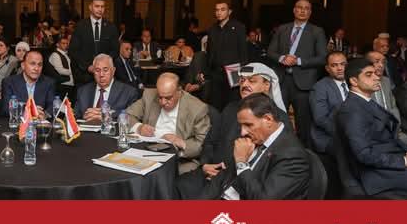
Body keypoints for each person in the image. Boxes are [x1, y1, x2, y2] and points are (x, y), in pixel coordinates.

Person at [175, 63, 291, 199]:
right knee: (178, 185)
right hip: (212, 173)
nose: (245, 84)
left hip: (241, 180)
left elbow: (273, 164)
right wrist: (206, 164)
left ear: (266, 85)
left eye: (252, 81)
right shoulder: (230, 108)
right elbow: (210, 141)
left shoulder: (277, 119)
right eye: (242, 80)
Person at [337, 59, 407, 195]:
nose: (377, 77)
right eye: (368, 74)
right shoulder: (351, 110)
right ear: (354, 81)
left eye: (375, 73)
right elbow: (364, 154)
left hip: (389, 158)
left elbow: (390, 138)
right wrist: (403, 160)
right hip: (375, 173)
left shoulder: (365, 102)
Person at [215, 93, 310, 200]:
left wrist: (241, 162)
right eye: (241, 125)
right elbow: (224, 178)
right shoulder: (255, 138)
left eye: (248, 125)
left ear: (268, 119)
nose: (242, 132)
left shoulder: (293, 156)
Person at [267, 0, 327, 146]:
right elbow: (270, 52)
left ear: (310, 12)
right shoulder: (282, 29)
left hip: (303, 83)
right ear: (294, 10)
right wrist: (282, 58)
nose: (302, 11)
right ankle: (278, 149)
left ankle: (303, 152)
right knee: (277, 118)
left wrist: (298, 61)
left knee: (303, 122)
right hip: (282, 80)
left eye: (306, 8)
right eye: (299, 7)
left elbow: (322, 58)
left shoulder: (317, 31)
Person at [126, 73, 211, 173]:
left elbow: (203, 143)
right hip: (147, 151)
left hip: (179, 159)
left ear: (179, 91)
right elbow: (127, 115)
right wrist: (139, 127)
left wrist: (181, 143)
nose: (163, 102)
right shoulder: (149, 95)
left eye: (168, 98)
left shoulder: (197, 108)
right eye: (160, 97)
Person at [205, 2, 247, 111]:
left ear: (229, 12)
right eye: (217, 10)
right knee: (216, 103)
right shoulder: (212, 29)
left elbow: (243, 51)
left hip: (233, 71)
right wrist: (207, 71)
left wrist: (243, 73)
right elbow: (209, 52)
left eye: (222, 9)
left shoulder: (238, 27)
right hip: (216, 71)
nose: (219, 12)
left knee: (233, 103)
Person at [68, 0, 119, 85]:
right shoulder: (80, 26)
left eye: (102, 6)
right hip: (84, 74)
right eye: (97, 6)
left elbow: (115, 50)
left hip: (104, 74)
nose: (100, 9)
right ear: (90, 7)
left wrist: (103, 66)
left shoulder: (111, 27)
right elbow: (73, 50)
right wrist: (88, 66)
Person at [74, 54, 138, 120]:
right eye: (97, 70)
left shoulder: (128, 92)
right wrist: (84, 116)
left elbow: (132, 116)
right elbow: (74, 117)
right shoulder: (83, 91)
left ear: (113, 71)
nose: (101, 75)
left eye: (105, 70)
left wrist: (106, 116)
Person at [309, 51, 348, 154]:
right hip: (330, 137)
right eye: (334, 65)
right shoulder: (320, 87)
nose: (340, 68)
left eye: (343, 64)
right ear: (327, 68)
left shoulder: (353, 82)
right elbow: (320, 119)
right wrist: (346, 133)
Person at [1, 50, 56, 116]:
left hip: (40, 121)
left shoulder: (49, 82)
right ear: (23, 65)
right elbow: (6, 109)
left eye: (40, 65)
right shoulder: (9, 82)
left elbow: (52, 106)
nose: (36, 68)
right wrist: (29, 111)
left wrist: (44, 115)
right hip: (19, 121)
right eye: (32, 64)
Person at [366, 50, 402, 132]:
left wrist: (397, 124)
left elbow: (393, 107)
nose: (381, 65)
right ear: (367, 64)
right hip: (374, 130)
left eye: (383, 62)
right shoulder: (363, 84)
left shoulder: (386, 81)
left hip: (392, 127)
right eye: (377, 62)